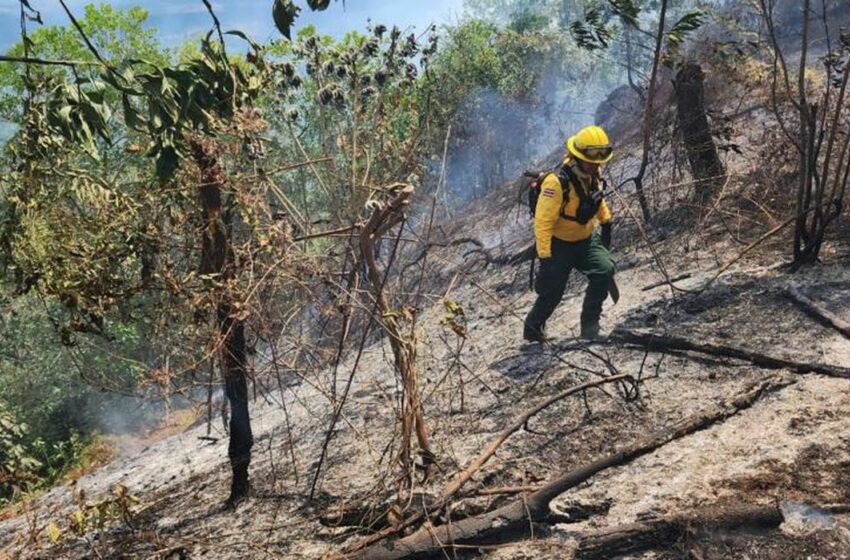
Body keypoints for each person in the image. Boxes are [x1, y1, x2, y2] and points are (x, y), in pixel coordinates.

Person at [524, 125, 616, 342]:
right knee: (552, 293)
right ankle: (533, 329)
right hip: (559, 245)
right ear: (577, 155)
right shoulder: (556, 183)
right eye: (592, 161)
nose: (596, 165)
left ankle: (590, 328)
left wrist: (607, 222)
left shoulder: (593, 174)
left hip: (585, 240)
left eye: (599, 162)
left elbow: (597, 199)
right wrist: (545, 256)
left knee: (604, 270)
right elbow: (543, 222)